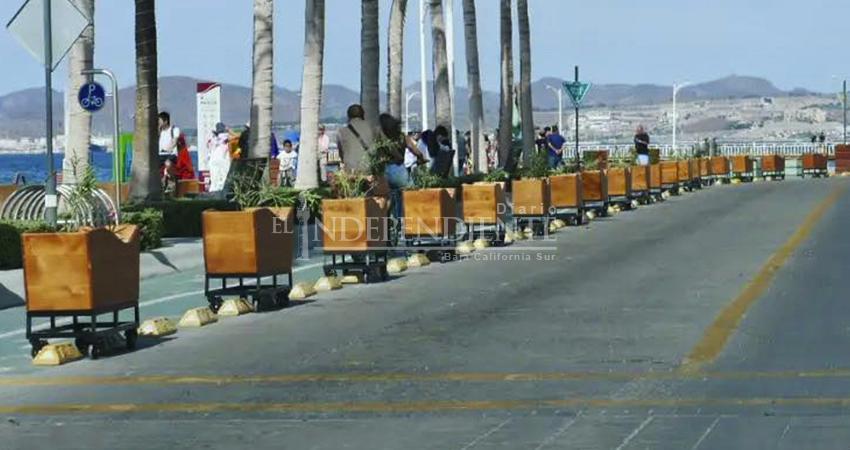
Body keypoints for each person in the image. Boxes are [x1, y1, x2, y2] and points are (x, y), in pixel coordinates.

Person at [336, 104, 375, 171]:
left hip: (350, 167)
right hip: (367, 165)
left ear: (348, 116)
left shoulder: (341, 131)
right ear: (363, 114)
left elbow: (341, 152)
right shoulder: (371, 128)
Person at [207, 122, 232, 193]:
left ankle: (212, 191)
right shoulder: (226, 137)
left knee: (214, 178)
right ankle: (222, 192)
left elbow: (208, 146)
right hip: (222, 159)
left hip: (213, 159)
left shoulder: (213, 138)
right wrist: (229, 130)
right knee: (224, 177)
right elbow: (237, 137)